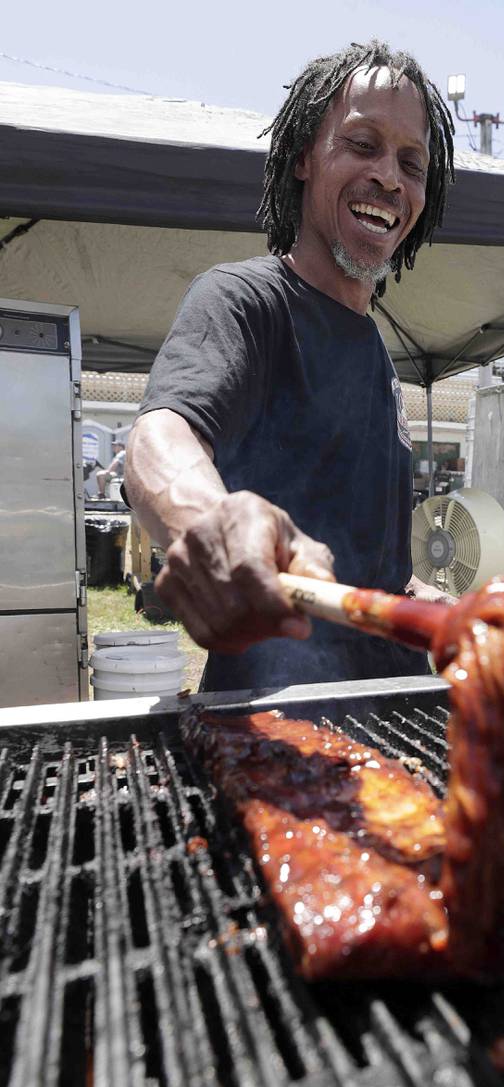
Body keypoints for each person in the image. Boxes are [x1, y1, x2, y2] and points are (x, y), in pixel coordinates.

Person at [125, 40, 455, 691]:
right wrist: (207, 522)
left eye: (410, 162)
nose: (390, 176)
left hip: (395, 723)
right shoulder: (245, 302)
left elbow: (375, 572)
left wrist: (434, 605)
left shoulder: (376, 353)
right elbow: (159, 437)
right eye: (363, 144)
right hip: (276, 731)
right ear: (306, 156)